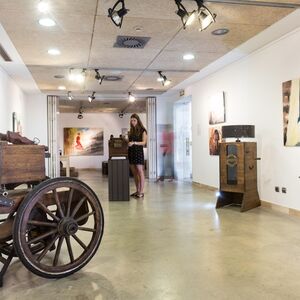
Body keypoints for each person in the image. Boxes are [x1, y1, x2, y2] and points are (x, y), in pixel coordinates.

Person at [128, 113, 147, 199]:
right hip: (131, 152)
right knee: (134, 173)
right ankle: (137, 190)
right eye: (131, 120)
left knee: (140, 171)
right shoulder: (131, 130)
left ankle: (141, 191)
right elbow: (130, 141)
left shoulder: (143, 130)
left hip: (138, 152)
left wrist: (134, 143)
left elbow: (144, 142)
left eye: (134, 120)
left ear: (138, 120)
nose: (133, 122)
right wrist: (128, 143)